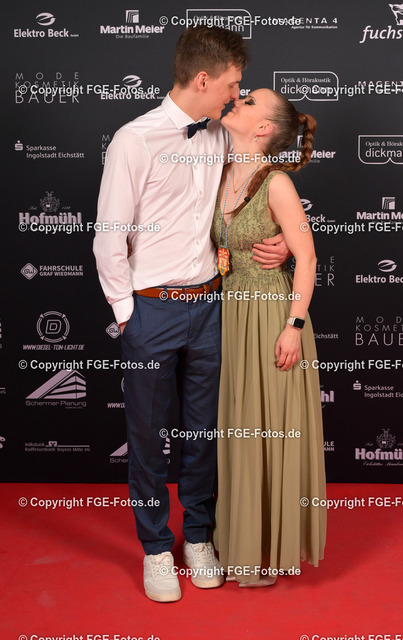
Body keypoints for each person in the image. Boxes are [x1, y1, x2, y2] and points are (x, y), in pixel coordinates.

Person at [93, 27, 289, 603]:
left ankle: (198, 537)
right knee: (148, 438)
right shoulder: (134, 140)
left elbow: (255, 189)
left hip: (209, 307)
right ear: (204, 79)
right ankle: (156, 548)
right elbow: (109, 237)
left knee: (204, 434)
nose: (236, 94)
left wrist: (282, 239)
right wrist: (127, 314)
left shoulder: (221, 133)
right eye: (232, 85)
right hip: (151, 310)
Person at [211, 88, 327, 586]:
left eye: (251, 101)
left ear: (263, 129)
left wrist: (293, 327)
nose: (238, 99)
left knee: (268, 427)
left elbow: (308, 257)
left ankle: (270, 546)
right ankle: (239, 540)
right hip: (228, 316)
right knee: (239, 426)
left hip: (270, 316)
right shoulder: (219, 169)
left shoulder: (277, 183)